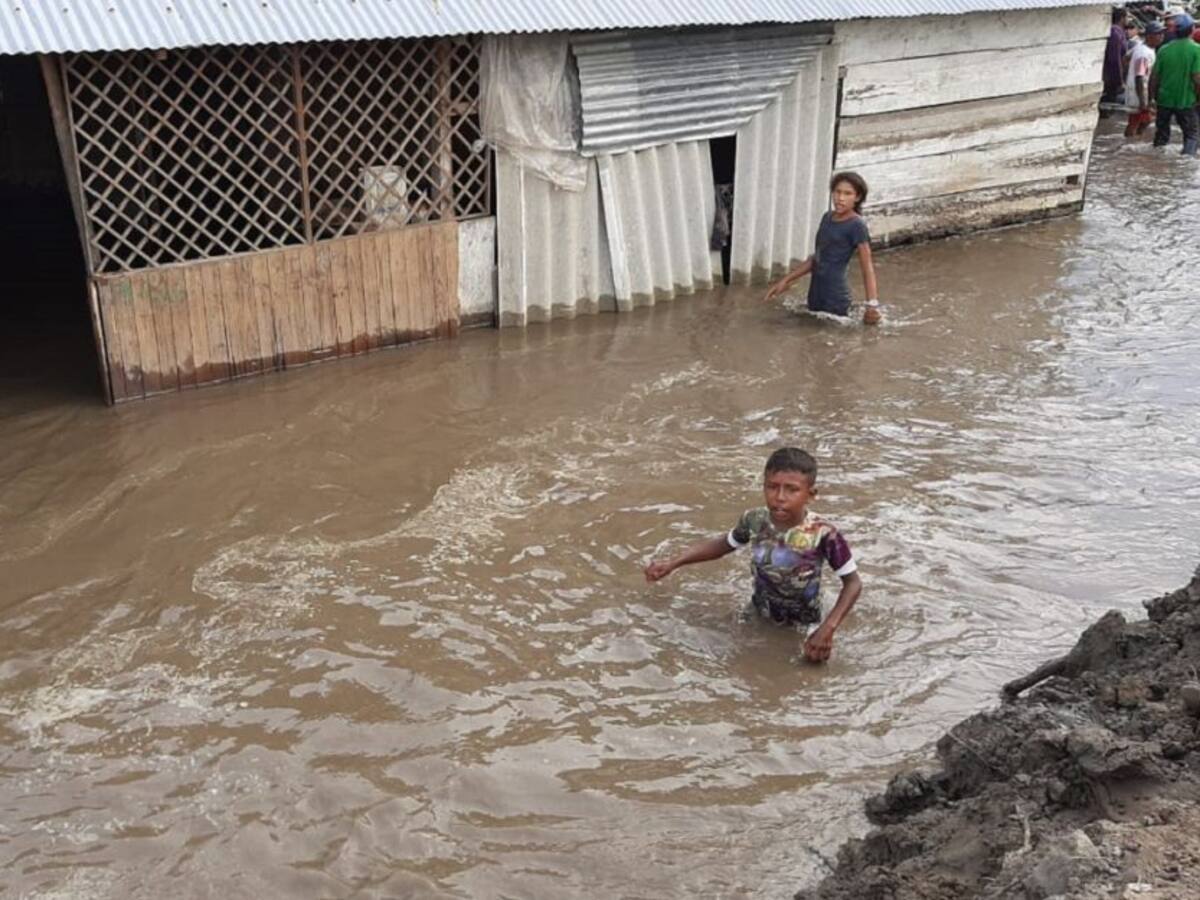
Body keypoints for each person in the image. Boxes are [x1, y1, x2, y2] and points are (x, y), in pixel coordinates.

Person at [643, 448, 862, 662]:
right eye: (772, 487)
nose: (779, 497)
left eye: (792, 490)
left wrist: (828, 628)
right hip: (760, 612)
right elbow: (724, 545)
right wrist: (674, 563)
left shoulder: (824, 533)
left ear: (810, 495)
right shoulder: (755, 520)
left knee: (808, 672)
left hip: (804, 622)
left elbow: (853, 583)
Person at [763, 172, 880, 324]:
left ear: (857, 198)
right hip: (815, 295)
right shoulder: (827, 218)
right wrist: (785, 280)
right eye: (837, 192)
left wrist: (872, 305)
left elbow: (867, 268)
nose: (841, 198)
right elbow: (817, 259)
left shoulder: (857, 225)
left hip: (836, 299)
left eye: (847, 193)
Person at [1150, 12, 1200, 155]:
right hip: (1185, 101)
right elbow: (1197, 78)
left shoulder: (1163, 50)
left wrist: (1152, 99)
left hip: (1164, 100)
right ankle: (1184, 166)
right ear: (1191, 30)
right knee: (1191, 135)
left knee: (1161, 136)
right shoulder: (1196, 50)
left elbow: (1154, 77)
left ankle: (1156, 163)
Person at [1127, 21, 1165, 137]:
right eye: (1158, 34)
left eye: (1162, 34)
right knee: (1136, 121)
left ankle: (1135, 140)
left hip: (1140, 91)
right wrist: (1143, 101)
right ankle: (1129, 142)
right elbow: (1140, 76)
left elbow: (1126, 58)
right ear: (1149, 36)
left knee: (1145, 120)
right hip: (1139, 93)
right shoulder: (1143, 53)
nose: (1161, 37)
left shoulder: (1142, 47)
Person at [1104, 7, 1130, 102]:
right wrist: (1119, 80)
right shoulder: (1115, 33)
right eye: (1128, 17)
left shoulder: (1120, 32)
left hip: (1116, 75)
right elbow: (1115, 59)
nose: (1129, 20)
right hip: (1112, 77)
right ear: (1122, 18)